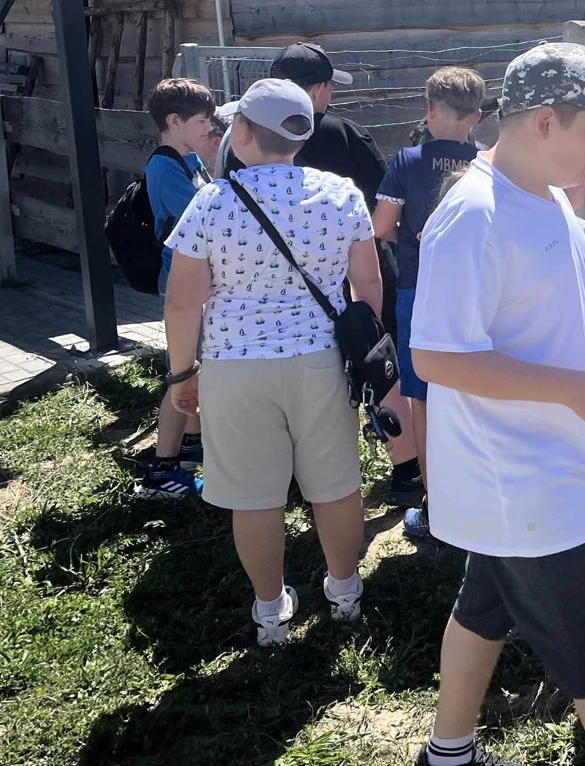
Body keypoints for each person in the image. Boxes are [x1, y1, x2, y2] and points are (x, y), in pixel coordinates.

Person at [409, 43, 585, 766]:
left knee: (484, 606)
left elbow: (576, 317)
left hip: (534, 478)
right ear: (545, 120)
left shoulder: (550, 197)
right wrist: (571, 389)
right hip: (525, 484)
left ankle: (448, 753)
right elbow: (435, 356)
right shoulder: (474, 215)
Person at [163, 78, 376, 646]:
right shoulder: (342, 194)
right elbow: (368, 285)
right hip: (322, 359)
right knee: (336, 484)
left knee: (254, 497)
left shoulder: (212, 201)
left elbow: (182, 302)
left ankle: (270, 610)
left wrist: (183, 372)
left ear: (244, 133)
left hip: (235, 365)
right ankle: (345, 590)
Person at [227, 41, 422, 504]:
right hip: (355, 270)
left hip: (278, 286)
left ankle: (298, 478)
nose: (332, 95)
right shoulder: (345, 133)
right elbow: (381, 197)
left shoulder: (246, 142)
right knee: (378, 365)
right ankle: (405, 469)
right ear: (316, 90)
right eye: (330, 87)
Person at [372, 67, 487, 542]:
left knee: (420, 395)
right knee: (474, 390)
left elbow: (381, 226)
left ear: (430, 110)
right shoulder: (487, 163)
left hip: (418, 290)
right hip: (476, 292)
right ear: (477, 117)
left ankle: (436, 506)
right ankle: (478, 500)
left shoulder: (407, 160)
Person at [135, 78, 215, 500]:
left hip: (200, 280)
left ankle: (191, 444)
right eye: (201, 120)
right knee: (182, 374)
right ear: (174, 121)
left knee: (197, 367)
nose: (209, 127)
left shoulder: (191, 159)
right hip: (182, 284)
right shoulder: (164, 167)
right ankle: (161, 471)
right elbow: (203, 216)